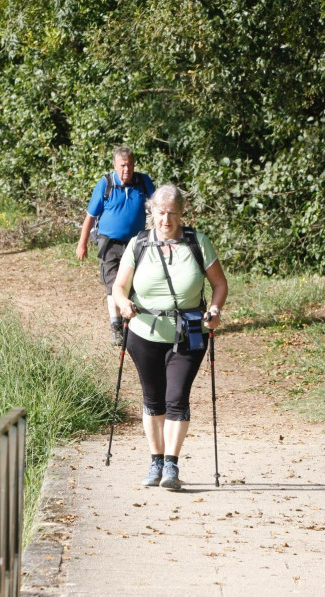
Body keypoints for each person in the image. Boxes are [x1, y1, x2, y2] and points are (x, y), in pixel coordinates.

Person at [111, 184, 228, 491]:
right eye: (161, 213)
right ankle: (156, 461)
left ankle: (172, 467)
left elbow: (219, 285)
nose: (166, 220)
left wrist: (215, 310)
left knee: (177, 398)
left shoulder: (198, 243)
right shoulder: (138, 243)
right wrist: (123, 304)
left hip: (189, 331)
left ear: (182, 213)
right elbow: (119, 286)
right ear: (152, 212)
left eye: (173, 213)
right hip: (143, 331)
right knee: (153, 399)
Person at [76, 147, 154, 346]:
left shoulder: (144, 183)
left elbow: (158, 208)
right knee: (112, 285)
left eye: (130, 165)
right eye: (122, 165)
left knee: (135, 283)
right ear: (115, 165)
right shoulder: (105, 184)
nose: (126, 169)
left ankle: (134, 325)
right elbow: (90, 216)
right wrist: (82, 244)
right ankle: (116, 326)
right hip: (109, 242)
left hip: (136, 242)